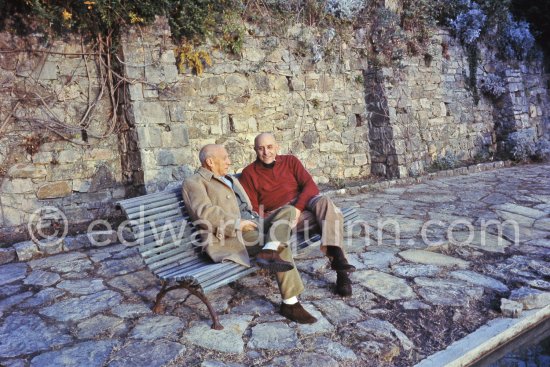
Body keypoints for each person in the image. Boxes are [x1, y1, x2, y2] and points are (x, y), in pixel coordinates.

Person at [182, 144, 317, 323]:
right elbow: (204, 213)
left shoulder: (229, 178)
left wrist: (256, 220)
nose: (229, 162)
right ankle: (290, 304)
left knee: (289, 211)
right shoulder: (194, 182)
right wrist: (237, 224)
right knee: (279, 244)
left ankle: (270, 248)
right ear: (210, 162)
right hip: (232, 236)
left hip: (253, 224)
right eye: (225, 158)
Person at [239, 133, 356, 297]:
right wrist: (278, 218)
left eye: (270, 147)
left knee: (325, 203)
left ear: (277, 146)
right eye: (261, 148)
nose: (266, 152)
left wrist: (298, 207)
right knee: (332, 217)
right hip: (281, 214)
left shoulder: (290, 161)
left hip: (303, 203)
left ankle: (338, 259)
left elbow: (310, 186)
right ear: (255, 150)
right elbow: (255, 208)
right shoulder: (249, 173)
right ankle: (342, 271)